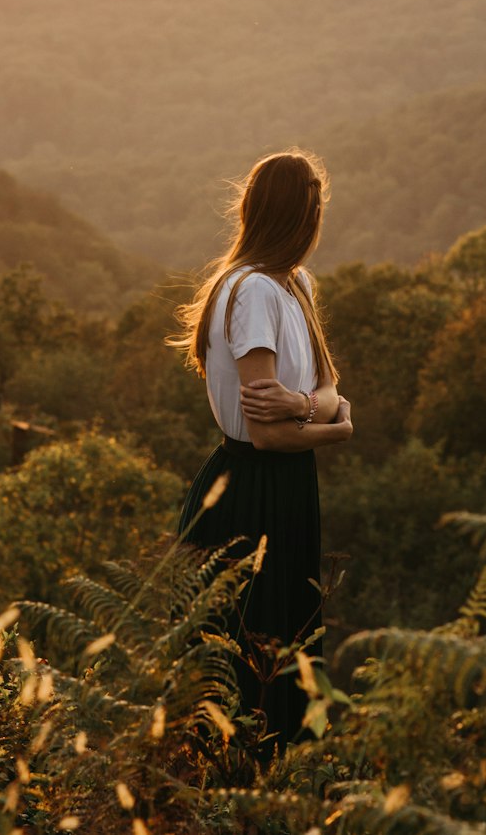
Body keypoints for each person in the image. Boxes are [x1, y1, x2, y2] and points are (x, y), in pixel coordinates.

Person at [170, 148, 353, 750]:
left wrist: (308, 408)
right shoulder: (252, 294)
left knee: (288, 652)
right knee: (248, 667)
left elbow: (325, 390)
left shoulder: (295, 284)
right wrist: (337, 427)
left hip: (290, 488)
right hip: (252, 493)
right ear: (305, 215)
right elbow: (273, 431)